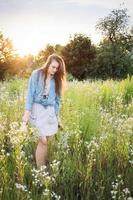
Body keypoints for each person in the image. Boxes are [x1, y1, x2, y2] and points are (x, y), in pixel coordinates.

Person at [21, 53, 67, 169]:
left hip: (50, 113)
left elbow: (57, 101)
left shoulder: (57, 80)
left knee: (45, 141)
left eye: (57, 68)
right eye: (53, 67)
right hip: (37, 111)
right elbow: (30, 95)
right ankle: (41, 172)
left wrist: (57, 116)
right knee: (43, 141)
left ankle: (42, 166)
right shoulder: (36, 74)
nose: (55, 70)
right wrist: (26, 115)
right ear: (48, 64)